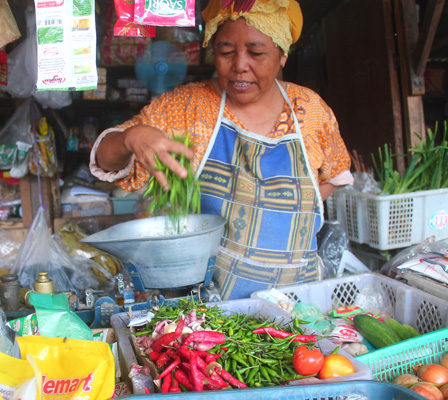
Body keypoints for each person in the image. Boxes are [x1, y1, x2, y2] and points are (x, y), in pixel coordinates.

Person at [89, 0, 354, 300]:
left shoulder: (311, 110)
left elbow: (337, 173)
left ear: (282, 55)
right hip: (210, 312)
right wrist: (130, 137)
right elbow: (104, 159)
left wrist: (294, 209)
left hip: (300, 302)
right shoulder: (188, 107)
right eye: (226, 52)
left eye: (256, 52)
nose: (240, 65)